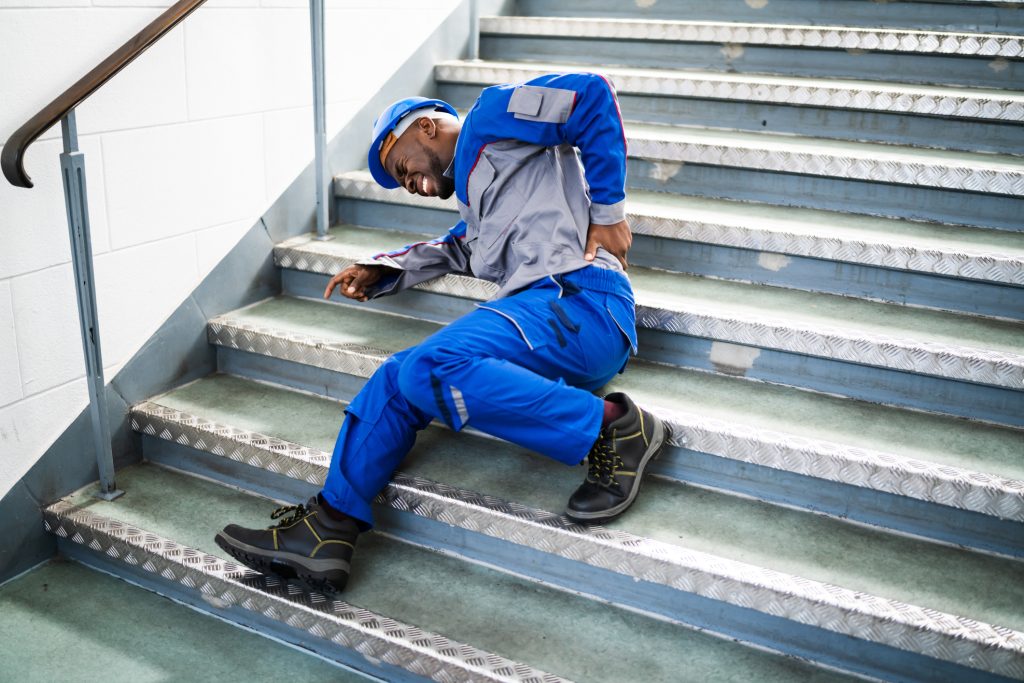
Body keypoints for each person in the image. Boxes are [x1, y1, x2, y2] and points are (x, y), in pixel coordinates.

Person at [216, 73, 666, 593]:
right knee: (396, 377)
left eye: (400, 166)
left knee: (432, 364)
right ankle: (327, 529)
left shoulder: (491, 117)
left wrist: (608, 212)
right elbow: (458, 246)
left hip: (581, 300)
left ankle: (614, 427)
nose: (407, 184)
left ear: (425, 127)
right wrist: (384, 268)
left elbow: (590, 95)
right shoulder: (478, 205)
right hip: (544, 319)